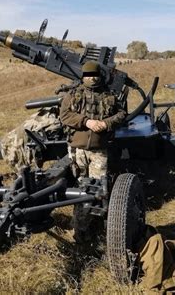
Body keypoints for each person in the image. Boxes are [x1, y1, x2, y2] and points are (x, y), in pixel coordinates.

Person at [59, 60, 126, 243]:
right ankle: (80, 230)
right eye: (88, 75)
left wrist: (106, 123)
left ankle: (98, 225)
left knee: (97, 189)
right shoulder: (73, 95)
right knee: (81, 189)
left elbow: (121, 114)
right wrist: (86, 122)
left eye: (95, 75)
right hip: (78, 150)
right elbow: (64, 116)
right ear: (83, 77)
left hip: (98, 151)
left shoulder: (109, 95)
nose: (92, 79)